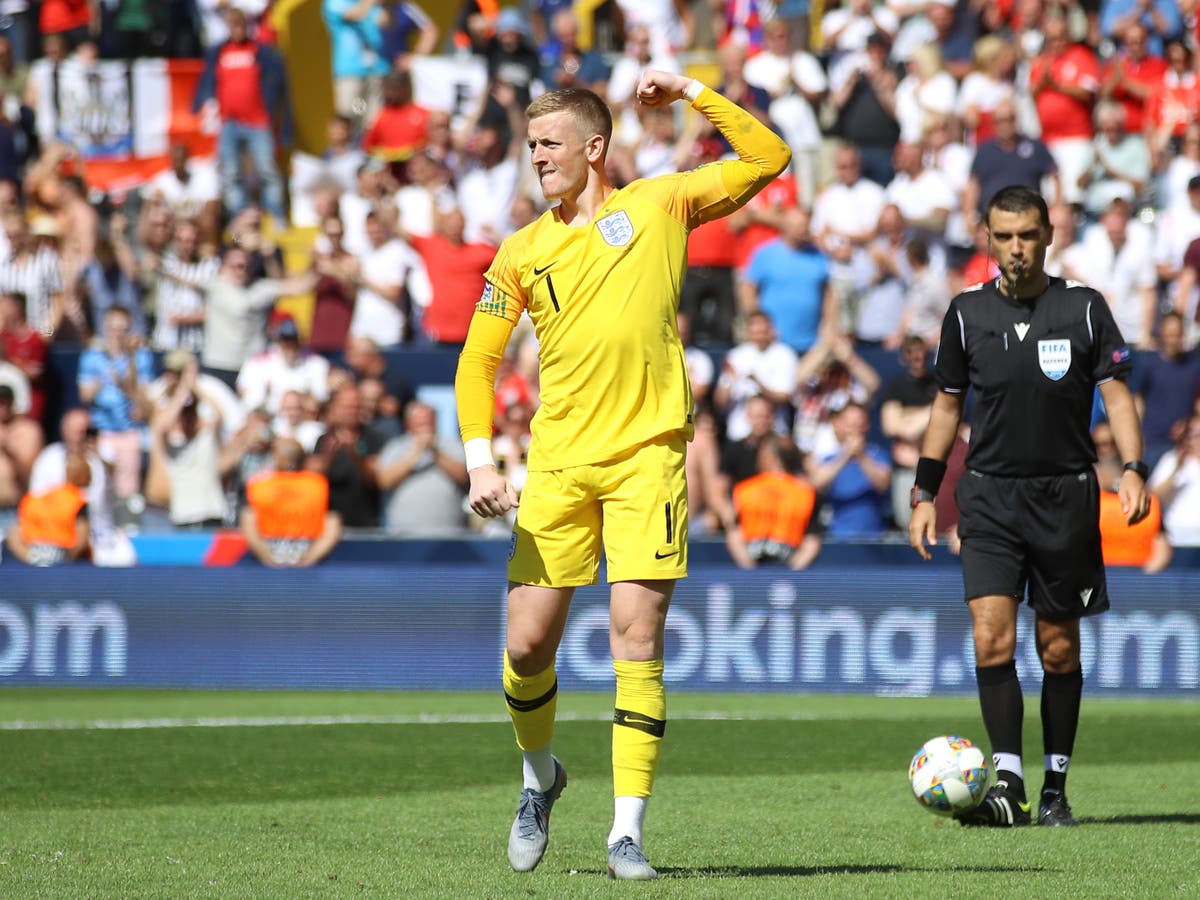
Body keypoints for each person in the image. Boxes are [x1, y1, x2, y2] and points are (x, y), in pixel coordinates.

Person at [454, 70, 790, 880]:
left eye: (548, 143)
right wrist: (480, 460)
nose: (535, 157)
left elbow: (769, 155)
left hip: (649, 455)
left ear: (593, 148)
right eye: (531, 144)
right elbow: (478, 362)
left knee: (636, 638)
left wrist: (694, 91)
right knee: (528, 647)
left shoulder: (662, 202)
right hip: (559, 464)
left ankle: (625, 833)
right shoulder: (523, 252)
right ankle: (540, 781)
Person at [909, 185, 1151, 828]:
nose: (1016, 248)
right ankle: (1009, 781)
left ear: (1048, 237)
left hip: (1064, 496)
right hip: (987, 497)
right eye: (1004, 236)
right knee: (991, 638)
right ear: (986, 239)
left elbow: (1119, 396)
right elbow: (946, 407)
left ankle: (1055, 788)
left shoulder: (1085, 309)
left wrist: (1131, 468)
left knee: (1058, 649)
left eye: (1027, 236)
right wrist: (925, 491)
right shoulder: (964, 314)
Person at [242, 436, 342, 567]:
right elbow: (333, 523)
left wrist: (268, 558)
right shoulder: (319, 484)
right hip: (308, 552)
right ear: (303, 460)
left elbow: (249, 522)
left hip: (269, 552)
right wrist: (310, 558)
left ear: (277, 458)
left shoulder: (258, 485)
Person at [5, 449, 90, 566]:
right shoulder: (77, 499)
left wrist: (30, 557)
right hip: (63, 554)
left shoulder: (30, 501)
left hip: (30, 554)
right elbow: (82, 534)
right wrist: (66, 559)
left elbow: (14, 534)